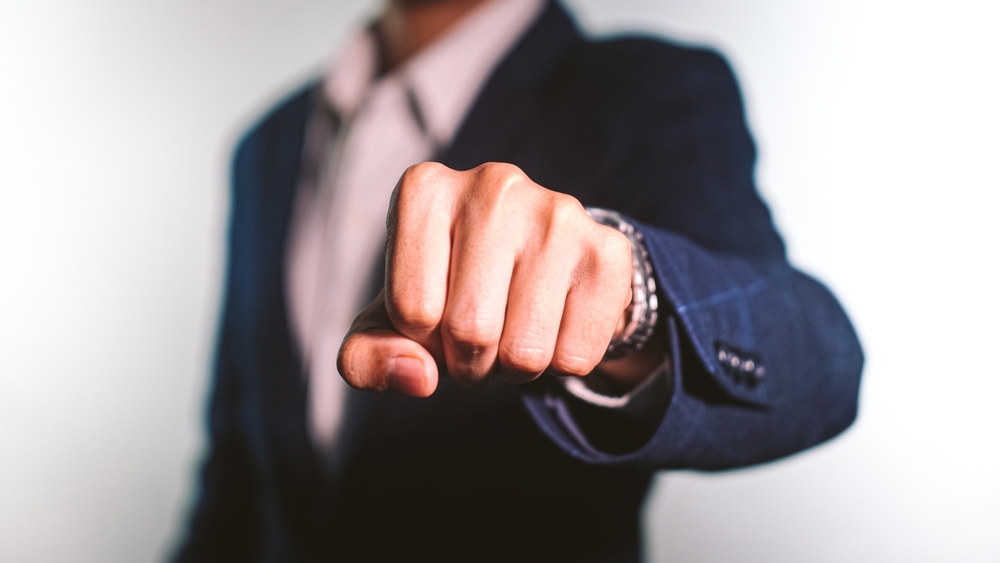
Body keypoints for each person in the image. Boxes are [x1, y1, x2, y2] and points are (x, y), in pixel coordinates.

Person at [172, 0, 863, 561]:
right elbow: (236, 477)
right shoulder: (266, 145)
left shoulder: (645, 89)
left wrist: (630, 298)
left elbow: (816, 363)